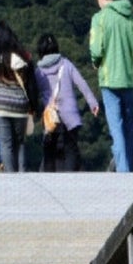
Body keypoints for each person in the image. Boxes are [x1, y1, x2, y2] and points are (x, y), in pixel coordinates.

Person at [87, 0, 133, 172]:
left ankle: (123, 171)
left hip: (110, 80)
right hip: (128, 78)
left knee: (116, 129)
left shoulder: (99, 19)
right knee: (128, 129)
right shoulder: (129, 17)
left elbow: (95, 50)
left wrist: (96, 63)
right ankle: (130, 167)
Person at [0, 21, 40, 174]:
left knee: (6, 143)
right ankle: (22, 175)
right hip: (20, 106)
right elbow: (31, 85)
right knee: (20, 142)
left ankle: (10, 179)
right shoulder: (24, 57)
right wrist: (33, 106)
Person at [34, 32, 99, 173]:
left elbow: (32, 94)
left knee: (49, 151)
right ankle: (70, 180)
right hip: (70, 114)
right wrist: (93, 103)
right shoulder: (66, 64)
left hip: (51, 118)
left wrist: (32, 111)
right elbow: (82, 83)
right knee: (71, 149)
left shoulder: (38, 72)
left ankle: (50, 180)